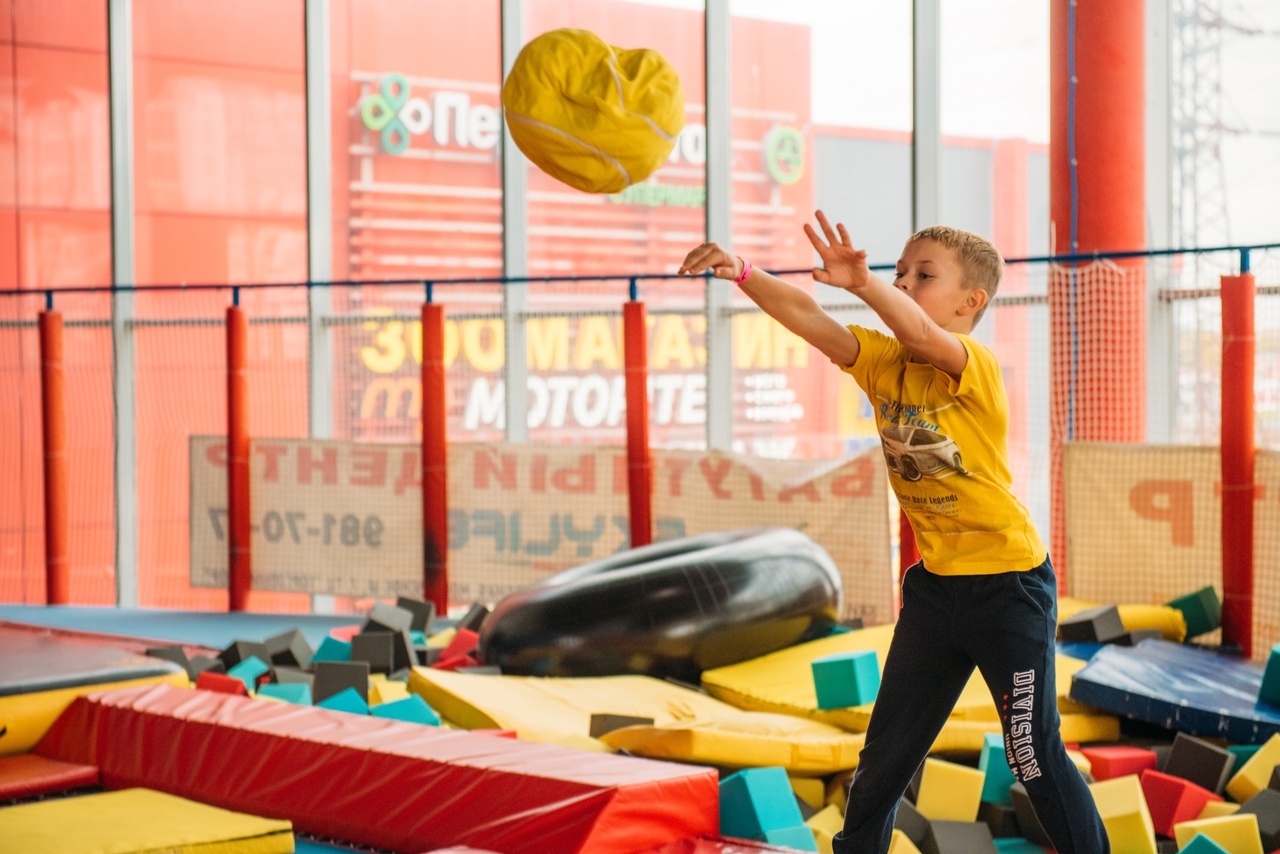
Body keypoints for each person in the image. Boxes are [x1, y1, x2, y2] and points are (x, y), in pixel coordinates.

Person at [678, 212, 1110, 854]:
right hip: (937, 595)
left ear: (971, 303)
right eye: (901, 272)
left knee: (1032, 755)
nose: (904, 284)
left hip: (1009, 587)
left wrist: (865, 283)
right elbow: (806, 316)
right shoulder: (884, 364)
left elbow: (922, 334)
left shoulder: (973, 367)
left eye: (922, 276)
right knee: (883, 760)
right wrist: (741, 271)